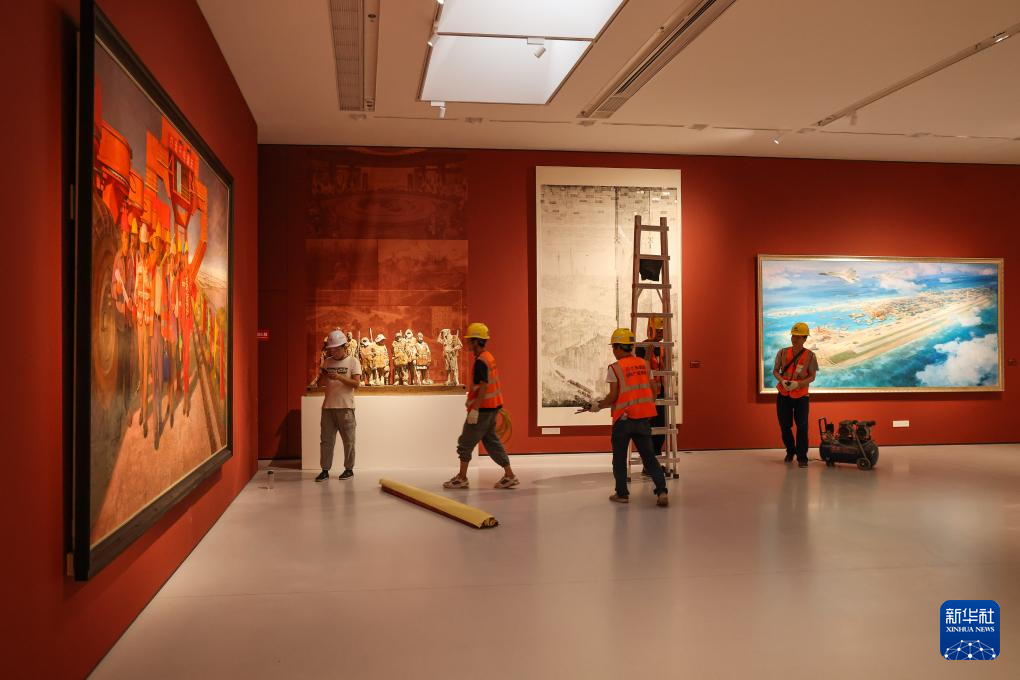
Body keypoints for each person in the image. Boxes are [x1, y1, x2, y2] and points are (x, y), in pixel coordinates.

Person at [579, 328, 668, 506]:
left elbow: (613, 396)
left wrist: (597, 406)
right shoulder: (645, 365)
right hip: (643, 419)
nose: (613, 350)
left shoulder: (615, 368)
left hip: (623, 421)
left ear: (619, 347)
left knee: (619, 459)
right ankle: (661, 492)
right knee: (649, 457)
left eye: (614, 347)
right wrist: (645, 407)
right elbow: (653, 390)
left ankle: (622, 494)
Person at [442, 322, 519, 490]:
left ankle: (462, 478)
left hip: (482, 410)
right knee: (491, 442)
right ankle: (510, 475)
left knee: (465, 443)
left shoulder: (480, 362)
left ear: (477, 341)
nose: (468, 343)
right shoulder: (488, 357)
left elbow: (483, 386)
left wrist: (475, 409)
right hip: (492, 408)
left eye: (470, 340)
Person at [315, 329, 361, 481]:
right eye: (331, 349)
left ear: (344, 347)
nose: (333, 351)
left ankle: (349, 469)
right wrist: (322, 375)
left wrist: (339, 377)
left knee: (349, 441)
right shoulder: (327, 362)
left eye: (336, 348)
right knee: (326, 441)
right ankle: (325, 470)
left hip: (346, 407)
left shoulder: (353, 361)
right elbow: (320, 383)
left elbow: (356, 384)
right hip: (328, 407)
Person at [772, 322, 818, 468]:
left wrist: (798, 384)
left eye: (798, 337)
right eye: (793, 336)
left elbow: (812, 376)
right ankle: (790, 451)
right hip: (783, 394)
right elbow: (775, 371)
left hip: (801, 396)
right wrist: (782, 381)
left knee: (802, 427)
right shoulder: (782, 352)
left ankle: (802, 457)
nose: (794, 339)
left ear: (805, 339)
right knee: (784, 426)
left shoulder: (811, 355)